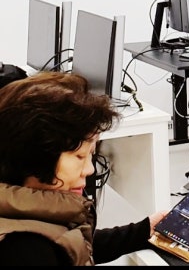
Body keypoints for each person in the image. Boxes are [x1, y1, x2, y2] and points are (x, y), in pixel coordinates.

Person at [0, 71, 168, 265]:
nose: (89, 170)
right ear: (35, 156)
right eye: (79, 156)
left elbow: (69, 244)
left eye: (91, 154)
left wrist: (144, 230)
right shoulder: (25, 250)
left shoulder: (23, 211)